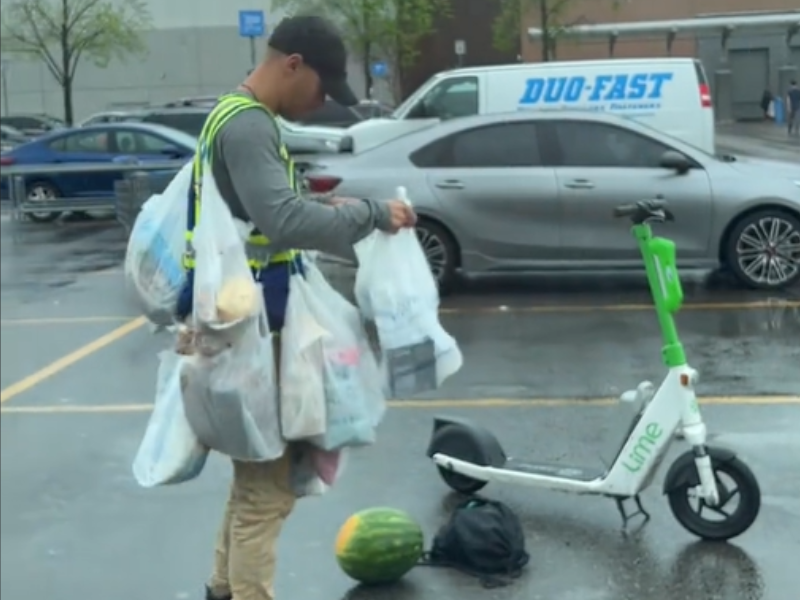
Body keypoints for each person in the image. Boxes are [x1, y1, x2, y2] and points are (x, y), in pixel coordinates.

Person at [175, 15, 417, 600]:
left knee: (252, 479)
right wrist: (373, 215)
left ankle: (221, 588)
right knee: (267, 491)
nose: (320, 105)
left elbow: (264, 211)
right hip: (253, 332)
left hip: (229, 323)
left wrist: (338, 207)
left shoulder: (229, 115)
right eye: (321, 89)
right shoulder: (250, 126)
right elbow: (282, 221)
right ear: (293, 65)